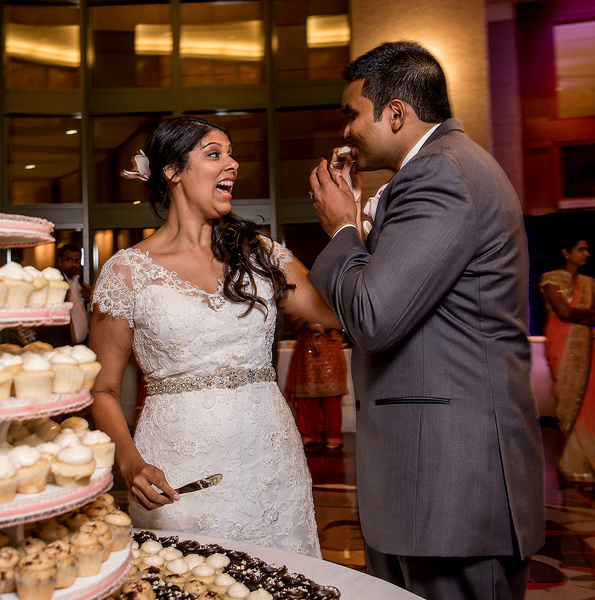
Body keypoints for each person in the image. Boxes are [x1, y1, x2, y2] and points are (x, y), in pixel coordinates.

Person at [307, 41, 544, 599]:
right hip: (433, 479)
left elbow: (373, 315)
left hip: (450, 482)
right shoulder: (446, 167)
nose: (346, 131)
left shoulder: (440, 174)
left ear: (395, 113)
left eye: (351, 113)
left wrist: (342, 230)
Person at [88, 116, 341, 555]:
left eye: (231, 153)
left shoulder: (260, 255)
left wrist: (347, 227)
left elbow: (339, 312)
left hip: (269, 456)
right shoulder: (126, 272)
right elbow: (103, 388)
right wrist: (130, 464)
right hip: (176, 461)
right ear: (171, 171)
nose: (233, 164)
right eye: (214, 153)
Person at [540, 237, 595, 482]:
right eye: (581, 249)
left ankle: (586, 462)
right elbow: (563, 312)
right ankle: (574, 464)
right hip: (560, 348)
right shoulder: (550, 279)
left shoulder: (589, 283)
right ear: (566, 252)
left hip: (588, 351)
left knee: (589, 404)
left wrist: (577, 316)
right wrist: (583, 315)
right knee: (568, 401)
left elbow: (574, 314)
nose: (587, 254)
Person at [284, 319, 347, 449]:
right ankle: (309, 434)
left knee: (332, 392)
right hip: (306, 346)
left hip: (330, 345)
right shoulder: (298, 298)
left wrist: (323, 326)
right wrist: (307, 320)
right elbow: (294, 323)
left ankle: (333, 435)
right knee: (307, 390)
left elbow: (340, 319)